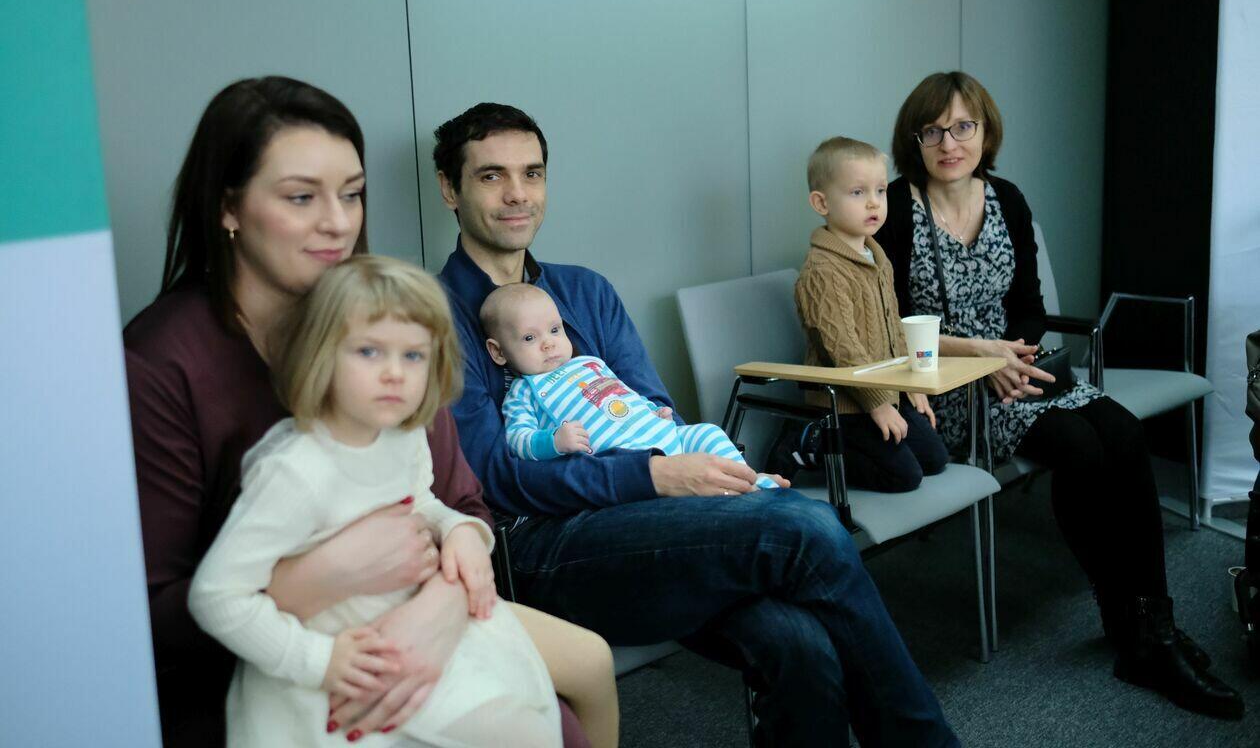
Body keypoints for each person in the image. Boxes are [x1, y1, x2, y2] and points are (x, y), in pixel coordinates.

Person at [435, 102, 960, 747]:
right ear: (450, 189)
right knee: (807, 526)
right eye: (491, 176)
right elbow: (493, 480)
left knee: (800, 641)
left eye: (532, 173)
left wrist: (709, 479)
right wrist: (652, 476)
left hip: (652, 515)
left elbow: (657, 413)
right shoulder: (438, 318)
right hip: (542, 547)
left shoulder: (586, 292)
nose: (518, 193)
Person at [124, 77, 595, 746]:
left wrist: (438, 612)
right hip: (253, 671)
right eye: (301, 197)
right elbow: (145, 619)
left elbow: (462, 504)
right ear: (228, 206)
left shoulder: (386, 324)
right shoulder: (160, 363)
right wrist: (312, 580)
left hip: (411, 616)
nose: (338, 222)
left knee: (557, 728)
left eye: (350, 194)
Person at [875, 70, 1243, 719]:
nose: (949, 143)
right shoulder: (897, 209)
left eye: (963, 126)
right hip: (947, 389)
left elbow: (1031, 308)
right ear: (914, 140)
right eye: (932, 131)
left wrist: (1011, 356)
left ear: (985, 131)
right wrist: (982, 358)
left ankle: (1151, 625)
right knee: (1079, 446)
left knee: (1123, 433)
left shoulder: (1007, 199)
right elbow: (892, 325)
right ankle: (1131, 629)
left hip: (1017, 368)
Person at [189, 256, 565, 747]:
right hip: (332, 665)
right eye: (369, 352)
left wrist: (458, 528)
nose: (394, 374)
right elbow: (216, 597)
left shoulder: (402, 436)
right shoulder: (295, 472)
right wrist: (319, 662)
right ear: (320, 355)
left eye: (413, 356)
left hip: (406, 620)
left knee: (529, 725)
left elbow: (419, 502)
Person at [794, 135, 949, 492]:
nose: (873, 202)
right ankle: (812, 443)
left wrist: (910, 388)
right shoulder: (822, 271)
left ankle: (861, 435)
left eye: (880, 191)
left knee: (935, 459)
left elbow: (894, 328)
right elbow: (842, 348)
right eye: (857, 192)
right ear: (821, 203)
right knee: (904, 477)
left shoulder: (877, 259)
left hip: (885, 393)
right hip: (845, 408)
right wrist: (878, 404)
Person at [482, 282, 747, 466]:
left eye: (554, 330)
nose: (548, 343)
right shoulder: (522, 393)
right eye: (529, 337)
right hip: (631, 460)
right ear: (498, 351)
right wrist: (553, 442)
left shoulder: (589, 363)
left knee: (710, 433)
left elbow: (623, 392)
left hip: (666, 434)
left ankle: (751, 481)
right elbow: (517, 439)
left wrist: (653, 411)